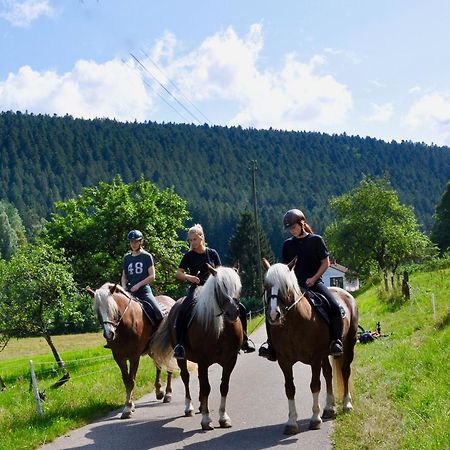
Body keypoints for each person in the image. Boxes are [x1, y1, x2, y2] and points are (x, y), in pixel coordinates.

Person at [259, 209, 344, 361]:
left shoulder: (316, 240)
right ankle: (271, 345)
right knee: (271, 310)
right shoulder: (288, 245)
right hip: (292, 286)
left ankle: (336, 341)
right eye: (289, 229)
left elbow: (325, 263)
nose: (291, 231)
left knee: (334, 306)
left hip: (314, 283)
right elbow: (285, 268)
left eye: (293, 227)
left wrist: (313, 278)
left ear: (302, 223)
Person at [173, 224, 255, 359]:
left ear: (201, 237)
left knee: (240, 307)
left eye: (194, 239)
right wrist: (189, 277)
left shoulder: (212, 253)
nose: (192, 242)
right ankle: (180, 345)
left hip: (214, 290)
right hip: (197, 289)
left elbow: (220, 272)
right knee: (183, 310)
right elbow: (178, 273)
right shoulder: (188, 256)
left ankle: (244, 340)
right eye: (190, 240)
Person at [122, 229, 165, 324]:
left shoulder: (147, 256)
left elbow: (152, 276)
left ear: (141, 241)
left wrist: (138, 285)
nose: (133, 244)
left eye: (136, 241)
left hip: (144, 292)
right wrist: (124, 287)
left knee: (159, 312)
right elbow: (124, 275)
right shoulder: (127, 258)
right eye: (131, 242)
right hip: (130, 293)